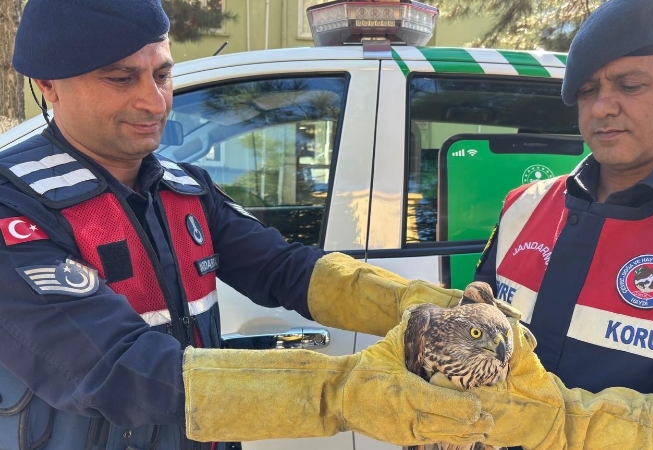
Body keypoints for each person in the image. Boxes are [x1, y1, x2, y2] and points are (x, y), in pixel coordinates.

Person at [0, 1, 494, 449]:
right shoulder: (14, 205)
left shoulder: (184, 187)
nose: (154, 102)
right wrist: (345, 394)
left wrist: (422, 306)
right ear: (48, 84)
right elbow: (121, 369)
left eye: (163, 75)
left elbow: (284, 268)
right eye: (121, 79)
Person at [464, 0, 653, 448]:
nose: (602, 107)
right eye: (586, 90)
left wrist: (553, 425)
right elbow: (476, 334)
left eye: (630, 85)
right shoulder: (523, 206)